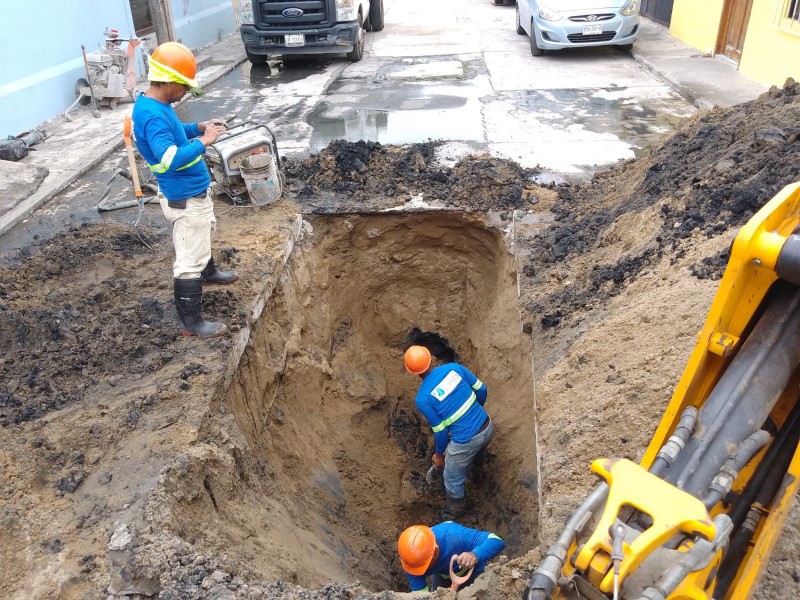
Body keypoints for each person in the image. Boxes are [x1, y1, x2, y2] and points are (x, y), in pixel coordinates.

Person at [132, 41, 237, 337]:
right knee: (188, 258)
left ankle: (209, 272)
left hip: (193, 191)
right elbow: (170, 159)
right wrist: (205, 142)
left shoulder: (157, 106)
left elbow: (175, 135)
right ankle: (190, 323)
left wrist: (199, 128)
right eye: (184, 85)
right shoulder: (152, 115)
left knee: (205, 231)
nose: (187, 92)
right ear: (167, 81)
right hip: (184, 196)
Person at [404, 344, 493, 518]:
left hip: (466, 442)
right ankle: (477, 476)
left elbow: (441, 432)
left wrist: (438, 455)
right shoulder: (454, 368)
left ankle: (455, 512)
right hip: (488, 426)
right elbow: (482, 389)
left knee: (452, 479)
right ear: (430, 360)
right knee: (478, 453)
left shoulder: (423, 398)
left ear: (413, 372)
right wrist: (475, 409)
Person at [397, 522, 505, 592]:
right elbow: (421, 595)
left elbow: (496, 540)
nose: (426, 569)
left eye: (428, 565)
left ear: (436, 551)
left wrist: (475, 554)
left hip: (475, 573)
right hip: (443, 577)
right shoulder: (412, 562)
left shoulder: (454, 535)